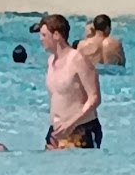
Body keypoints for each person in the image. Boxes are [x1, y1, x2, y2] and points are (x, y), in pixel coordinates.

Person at [38, 14, 102, 149]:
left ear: (56, 35)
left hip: (80, 128)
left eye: (44, 35)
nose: (40, 39)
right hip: (56, 131)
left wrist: (71, 123)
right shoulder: (50, 61)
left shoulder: (78, 60)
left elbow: (94, 98)